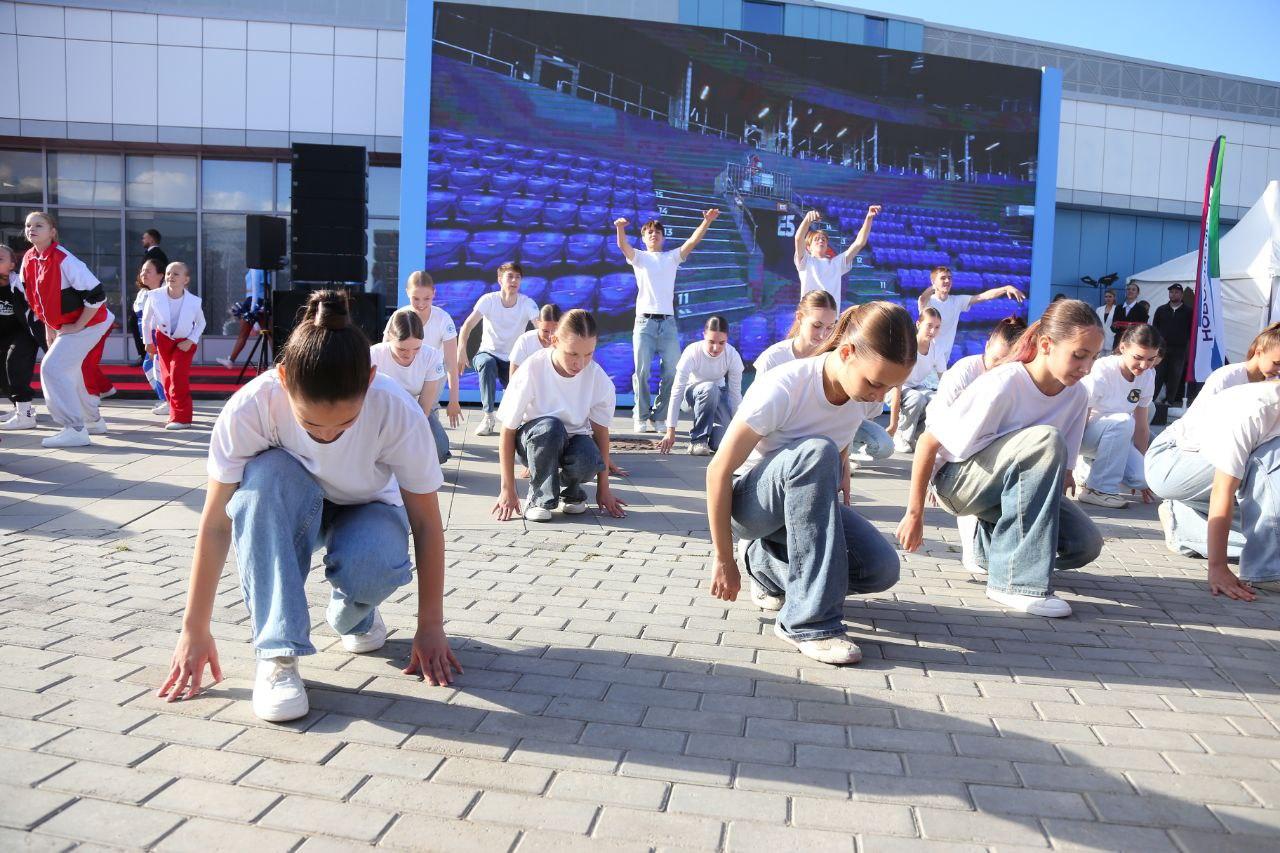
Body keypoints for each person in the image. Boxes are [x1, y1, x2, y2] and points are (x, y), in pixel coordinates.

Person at [157, 290, 460, 721]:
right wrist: (194, 629)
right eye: (311, 423)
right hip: (293, 508)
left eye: (347, 422)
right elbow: (217, 524)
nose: (328, 436)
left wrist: (430, 625)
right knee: (260, 485)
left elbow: (427, 524)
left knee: (374, 564)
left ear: (370, 382)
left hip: (366, 508)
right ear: (282, 379)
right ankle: (277, 655)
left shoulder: (397, 410)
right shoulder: (252, 407)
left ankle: (353, 612)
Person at [706, 302, 915, 665]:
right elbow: (718, 471)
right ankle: (808, 623)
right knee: (816, 452)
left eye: (889, 388)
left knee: (880, 568)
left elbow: (842, 447)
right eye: (874, 384)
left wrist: (841, 499)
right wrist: (724, 558)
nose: (878, 397)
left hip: (807, 504)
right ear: (847, 353)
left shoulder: (863, 399)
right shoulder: (785, 386)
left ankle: (765, 566)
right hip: (751, 507)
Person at [896, 299, 1105, 617]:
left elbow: (1061, 477)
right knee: (1045, 439)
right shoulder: (1004, 382)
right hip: (959, 483)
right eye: (1078, 355)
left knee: (1085, 544)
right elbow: (927, 442)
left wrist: (1041, 537)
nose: (1087, 368)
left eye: (1094, 357)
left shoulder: (1077, 395)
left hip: (1011, 488)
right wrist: (915, 515)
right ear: (1046, 345)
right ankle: (1015, 583)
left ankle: (992, 552)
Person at [1146, 381, 1280, 601]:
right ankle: (1266, 571)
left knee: (1267, 534)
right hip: (1171, 462)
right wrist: (1218, 568)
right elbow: (1222, 490)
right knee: (1269, 458)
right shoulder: (1255, 410)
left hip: (1205, 468)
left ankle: (1183, 524)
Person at [492, 309, 627, 523]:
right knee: (550, 427)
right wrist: (508, 489)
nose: (580, 363)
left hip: (572, 442)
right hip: (534, 443)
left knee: (590, 456)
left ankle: (573, 494)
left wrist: (604, 490)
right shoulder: (532, 369)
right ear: (554, 341)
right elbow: (507, 431)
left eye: (588, 354)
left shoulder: (597, 377)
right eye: (573, 353)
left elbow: (601, 433)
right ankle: (539, 498)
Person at [927, 315, 1028, 573]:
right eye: (995, 360)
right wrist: (932, 474)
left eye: (1008, 363)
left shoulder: (1019, 379)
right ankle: (973, 552)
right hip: (958, 457)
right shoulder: (963, 372)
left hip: (1000, 455)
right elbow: (937, 428)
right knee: (974, 476)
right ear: (986, 345)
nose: (998, 369)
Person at [756, 291, 893, 463]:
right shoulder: (774, 357)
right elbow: (758, 414)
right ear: (800, 317)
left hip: (833, 423)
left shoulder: (836, 358)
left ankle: (843, 454)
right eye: (817, 325)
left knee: (884, 445)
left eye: (830, 327)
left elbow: (859, 409)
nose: (823, 335)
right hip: (788, 429)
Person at [615, 211, 719, 434]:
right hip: (644, 323)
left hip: (668, 323)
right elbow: (623, 246)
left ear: (663, 238)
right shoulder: (639, 257)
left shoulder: (671, 257)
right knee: (642, 372)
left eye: (658, 232)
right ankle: (641, 415)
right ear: (643, 237)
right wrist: (620, 227)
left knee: (672, 371)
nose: (654, 235)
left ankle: (660, 416)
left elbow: (693, 241)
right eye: (649, 232)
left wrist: (707, 220)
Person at [21, 211, 112, 448]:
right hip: (69, 324)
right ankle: (93, 422)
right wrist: (51, 327)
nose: (32, 229)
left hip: (92, 322)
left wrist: (78, 325)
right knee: (72, 371)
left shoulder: (65, 259)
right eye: (28, 225)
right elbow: (36, 299)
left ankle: (75, 429)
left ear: (52, 232)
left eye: (39, 225)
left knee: (53, 368)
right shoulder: (29, 259)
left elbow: (97, 295)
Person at [1076, 324, 1163, 509]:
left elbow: (1141, 426)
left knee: (1143, 478)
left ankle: (1087, 470)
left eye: (1151, 359)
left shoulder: (1148, 375)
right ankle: (1099, 490)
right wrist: (1068, 458)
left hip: (1117, 434)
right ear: (1123, 347)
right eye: (1138, 358)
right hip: (1084, 434)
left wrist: (1142, 464)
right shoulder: (1102, 369)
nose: (1144, 365)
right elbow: (1081, 414)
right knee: (1123, 420)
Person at [457, 262, 538, 436]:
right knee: (487, 363)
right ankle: (488, 417)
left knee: (520, 394)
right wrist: (461, 350)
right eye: (510, 276)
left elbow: (540, 326)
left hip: (513, 360)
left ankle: (517, 424)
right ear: (500, 280)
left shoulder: (527, 303)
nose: (514, 280)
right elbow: (467, 325)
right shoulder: (488, 300)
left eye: (518, 277)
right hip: (488, 353)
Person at [384, 271, 462, 429]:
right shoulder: (398, 316)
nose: (421, 304)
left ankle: (431, 417)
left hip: (431, 376)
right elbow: (385, 350)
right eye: (415, 298)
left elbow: (451, 364)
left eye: (427, 298)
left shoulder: (443, 319)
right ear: (407, 293)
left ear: (434, 293)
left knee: (430, 431)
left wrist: (454, 400)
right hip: (402, 372)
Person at [371, 310, 450, 465]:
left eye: (416, 348)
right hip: (379, 411)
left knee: (439, 451)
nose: (410, 354)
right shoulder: (374, 355)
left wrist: (409, 435)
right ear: (390, 338)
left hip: (414, 410)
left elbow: (424, 408)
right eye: (402, 349)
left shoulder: (431, 356)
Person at [659, 315, 744, 456]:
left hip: (719, 394)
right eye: (711, 341)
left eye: (721, 343)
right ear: (703, 335)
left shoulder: (733, 355)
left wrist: (740, 431)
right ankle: (698, 441)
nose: (716, 348)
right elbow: (677, 390)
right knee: (709, 388)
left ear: (727, 339)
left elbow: (735, 395)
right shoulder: (692, 351)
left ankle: (712, 435)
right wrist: (670, 430)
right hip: (691, 395)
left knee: (722, 444)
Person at [916, 266, 1026, 365]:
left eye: (949, 278)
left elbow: (983, 297)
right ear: (933, 281)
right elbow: (922, 299)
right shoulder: (928, 302)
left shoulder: (957, 301)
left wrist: (1005, 288)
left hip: (941, 361)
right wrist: (933, 287)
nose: (947, 280)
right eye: (943, 278)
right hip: (923, 358)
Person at [142, 262, 204, 430]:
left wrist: (191, 340)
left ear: (186, 279)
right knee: (167, 378)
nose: (171, 276)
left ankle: (182, 418)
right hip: (163, 340)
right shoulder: (154, 295)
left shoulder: (194, 301)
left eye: (176, 274)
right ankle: (173, 411)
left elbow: (201, 323)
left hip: (185, 343)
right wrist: (147, 342)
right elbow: (147, 321)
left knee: (178, 377)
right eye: (169, 273)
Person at [793, 205, 880, 314]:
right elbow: (798, 238)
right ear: (808, 247)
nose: (821, 241)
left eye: (823, 239)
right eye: (816, 239)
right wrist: (807, 220)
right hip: (809, 317)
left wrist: (869, 218)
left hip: (831, 322)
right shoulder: (805, 261)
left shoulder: (837, 263)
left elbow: (859, 243)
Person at [887, 307, 945, 454]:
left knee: (937, 399)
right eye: (929, 326)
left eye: (937, 327)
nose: (933, 331)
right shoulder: (907, 346)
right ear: (918, 324)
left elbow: (944, 380)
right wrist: (893, 425)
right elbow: (897, 386)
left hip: (913, 387)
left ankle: (919, 437)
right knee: (916, 398)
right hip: (891, 388)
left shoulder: (937, 349)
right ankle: (901, 435)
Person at [0, 245, 38, 430]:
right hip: (2, 336)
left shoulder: (20, 284)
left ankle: (26, 416)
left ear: (12, 265)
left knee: (14, 364)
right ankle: (21, 409)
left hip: (24, 334)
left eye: (0, 259)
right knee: (2, 376)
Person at [1150, 284, 1193, 425]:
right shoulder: (1161, 310)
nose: (1173, 295)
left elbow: (1191, 330)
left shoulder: (1188, 311)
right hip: (1162, 348)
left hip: (1179, 349)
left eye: (1176, 292)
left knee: (1175, 375)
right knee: (1158, 374)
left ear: (1181, 295)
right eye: (1171, 292)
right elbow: (1155, 328)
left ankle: (1169, 400)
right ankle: (1151, 399)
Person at [134, 259, 168, 416]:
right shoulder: (142, 294)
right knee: (149, 367)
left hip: (162, 338)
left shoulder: (166, 293)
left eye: (148, 271)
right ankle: (165, 398)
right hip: (149, 339)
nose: (143, 274)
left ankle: (168, 400)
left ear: (161, 275)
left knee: (157, 369)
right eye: (142, 271)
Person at [216, 269, 267, 370]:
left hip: (253, 302)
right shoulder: (261, 270)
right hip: (254, 301)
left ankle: (231, 360)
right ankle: (231, 360)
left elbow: (255, 289)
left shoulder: (256, 269)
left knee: (248, 335)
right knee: (265, 333)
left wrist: (253, 308)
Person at [509, 303, 562, 374]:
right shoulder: (525, 340)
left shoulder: (565, 343)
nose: (550, 336)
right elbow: (514, 374)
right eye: (545, 331)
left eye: (555, 330)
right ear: (538, 323)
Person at [1096, 288, 1117, 352]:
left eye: (1110, 296)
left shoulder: (1118, 309)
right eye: (1106, 297)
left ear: (1114, 298)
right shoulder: (1099, 309)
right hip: (1100, 339)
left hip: (1112, 339)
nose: (1108, 298)